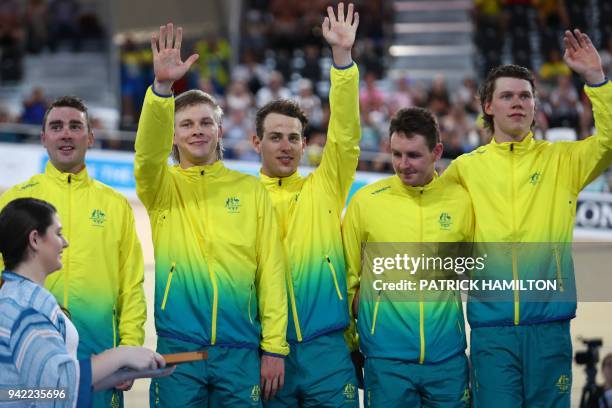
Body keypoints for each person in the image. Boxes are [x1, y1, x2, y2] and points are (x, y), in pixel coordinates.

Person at [443, 29, 612, 407]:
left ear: (536, 106)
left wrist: (596, 81)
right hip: (491, 330)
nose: (517, 103)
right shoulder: (463, 170)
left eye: (525, 96)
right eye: (506, 96)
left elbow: (610, 141)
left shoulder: (563, 161)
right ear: (488, 106)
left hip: (549, 327)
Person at [135, 23, 288, 407]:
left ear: (220, 130)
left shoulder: (250, 189)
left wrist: (274, 348)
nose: (196, 131)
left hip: (240, 350)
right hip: (179, 350)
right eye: (185, 124)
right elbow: (146, 155)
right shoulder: (160, 187)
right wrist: (161, 91)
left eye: (205, 123)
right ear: (172, 135)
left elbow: (270, 270)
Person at [0, 95, 146, 408]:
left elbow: (131, 286)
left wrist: (130, 346)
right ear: (43, 138)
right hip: (28, 357)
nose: (66, 133)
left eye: (75, 126)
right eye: (56, 126)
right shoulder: (14, 201)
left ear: (90, 137)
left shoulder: (116, 205)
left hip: (100, 357)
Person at [250, 3, 361, 406]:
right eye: (275, 137)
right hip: (265, 353)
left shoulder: (325, 186)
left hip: (327, 351)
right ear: (256, 143)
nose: (285, 146)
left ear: (304, 144)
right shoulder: (242, 199)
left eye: (293, 138)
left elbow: (346, 136)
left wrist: (343, 62)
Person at [342, 107, 473, 407]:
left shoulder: (461, 201)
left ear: (437, 151)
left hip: (448, 358)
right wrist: (351, 345)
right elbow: (347, 279)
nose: (403, 165)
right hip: (386, 360)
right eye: (396, 154)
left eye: (413, 155)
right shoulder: (365, 202)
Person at [0, 198, 167, 408]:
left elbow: (29, 392)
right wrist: (121, 355)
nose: (66, 242)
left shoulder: (16, 296)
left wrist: (115, 375)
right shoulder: (27, 306)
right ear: (35, 240)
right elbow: (56, 386)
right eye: (58, 233)